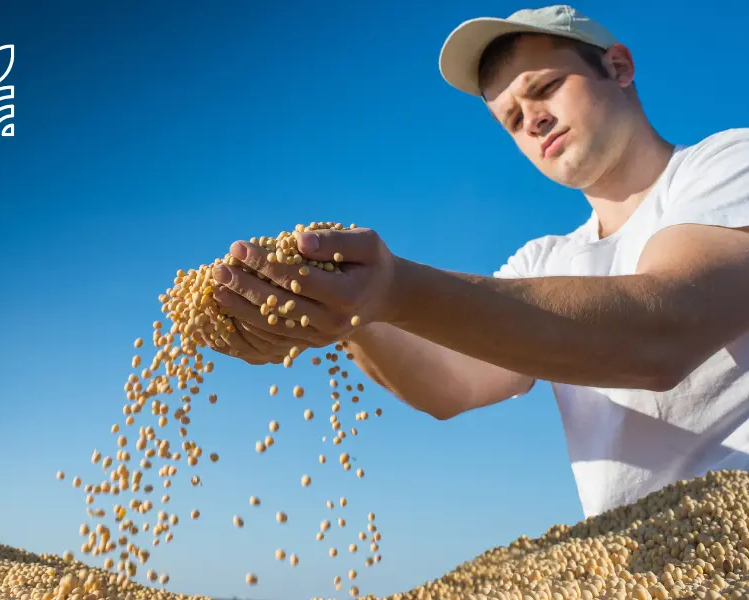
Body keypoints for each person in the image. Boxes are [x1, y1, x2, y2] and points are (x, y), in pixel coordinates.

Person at [200, 5, 749, 518]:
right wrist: (343, 313)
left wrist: (392, 288)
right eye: (511, 119)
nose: (533, 120)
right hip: (643, 568)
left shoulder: (724, 165)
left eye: (547, 88)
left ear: (619, 67)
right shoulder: (546, 259)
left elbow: (661, 332)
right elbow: (450, 384)